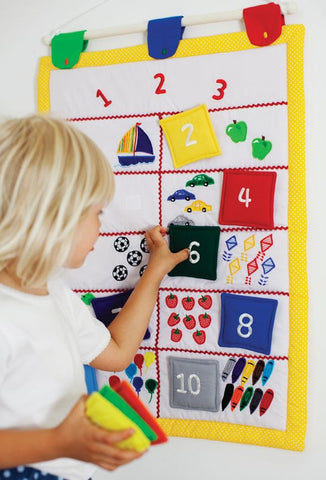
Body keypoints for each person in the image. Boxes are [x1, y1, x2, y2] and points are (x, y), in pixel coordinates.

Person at [0, 115, 189, 480]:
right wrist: (58, 443)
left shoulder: (52, 291)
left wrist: (154, 272)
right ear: (52, 216)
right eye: (97, 213)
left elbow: (117, 353)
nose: (102, 226)